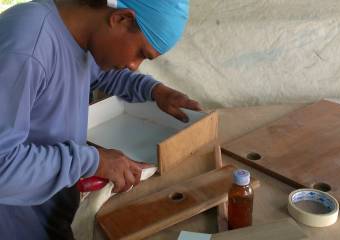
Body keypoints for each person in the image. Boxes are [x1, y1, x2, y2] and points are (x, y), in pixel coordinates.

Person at [0, 0, 201, 239]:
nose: (134, 66)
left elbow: (101, 74)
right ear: (121, 19)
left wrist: (155, 91)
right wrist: (94, 161)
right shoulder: (27, 47)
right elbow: (4, 165)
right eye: (141, 54)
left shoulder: (79, 37)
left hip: (51, 212)